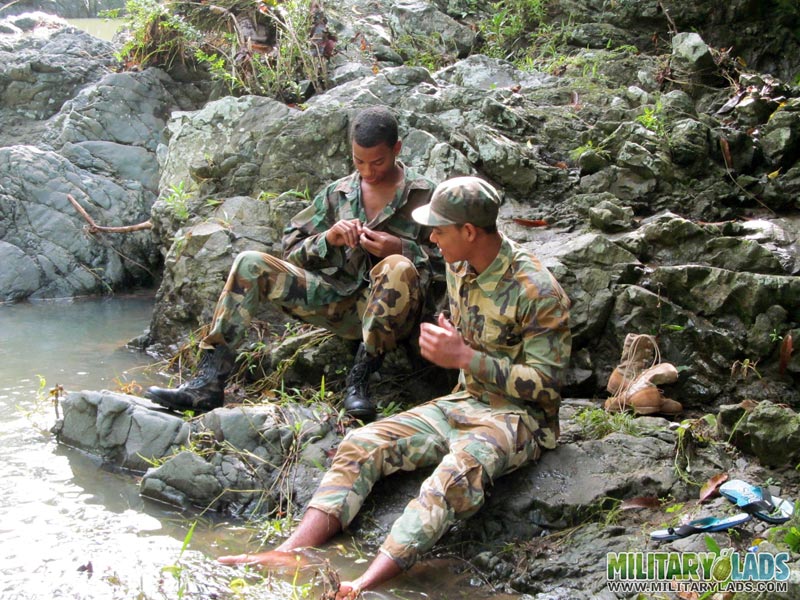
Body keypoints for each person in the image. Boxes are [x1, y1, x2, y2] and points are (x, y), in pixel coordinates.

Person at [217, 176, 572, 598]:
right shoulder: (459, 265)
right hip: (462, 401)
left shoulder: (538, 290)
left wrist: (464, 357)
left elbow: (548, 387)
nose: (432, 237)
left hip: (519, 418)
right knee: (362, 442)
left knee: (452, 479)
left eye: (439, 229)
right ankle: (290, 551)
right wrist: (452, 339)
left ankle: (363, 583)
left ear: (469, 232)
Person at [146, 106, 442, 422]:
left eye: (378, 162)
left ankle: (360, 382)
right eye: (359, 162)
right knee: (250, 262)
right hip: (339, 302)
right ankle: (208, 382)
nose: (367, 171)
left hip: (397, 317)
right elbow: (291, 249)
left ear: (397, 149)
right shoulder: (338, 193)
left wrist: (400, 248)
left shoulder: (425, 195)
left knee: (396, 266)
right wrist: (329, 239)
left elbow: (452, 263)